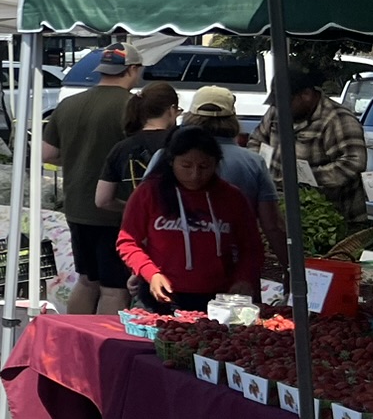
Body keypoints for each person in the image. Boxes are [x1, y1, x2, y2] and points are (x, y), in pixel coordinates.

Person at [115, 125, 264, 313]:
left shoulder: (232, 198)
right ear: (171, 161)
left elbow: (251, 247)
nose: (195, 175)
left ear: (216, 163)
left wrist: (244, 278)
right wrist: (150, 273)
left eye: (204, 166)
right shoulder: (149, 193)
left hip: (218, 300)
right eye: (186, 166)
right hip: (161, 295)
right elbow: (127, 242)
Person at [42, 44, 143, 315]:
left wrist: (78, 157)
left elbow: (47, 153)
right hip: (116, 209)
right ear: (132, 70)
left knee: (87, 281)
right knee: (114, 288)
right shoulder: (134, 107)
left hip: (76, 207)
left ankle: (75, 346)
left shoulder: (69, 104)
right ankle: (103, 353)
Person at [252, 65, 368, 226]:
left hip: (332, 217)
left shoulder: (337, 119)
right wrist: (260, 173)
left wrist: (303, 178)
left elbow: (353, 164)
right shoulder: (276, 112)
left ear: (306, 95)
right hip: (280, 209)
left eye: (285, 101)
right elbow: (256, 141)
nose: (278, 107)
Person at [185, 85, 282, 254]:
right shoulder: (253, 162)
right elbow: (272, 225)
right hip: (235, 260)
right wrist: (289, 267)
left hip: (178, 261)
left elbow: (146, 213)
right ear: (232, 118)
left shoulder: (166, 157)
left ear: (191, 117)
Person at [94, 81, 180, 215]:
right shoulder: (182, 141)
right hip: (176, 223)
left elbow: (102, 200)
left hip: (138, 226)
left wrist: (136, 207)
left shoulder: (122, 147)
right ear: (171, 109)